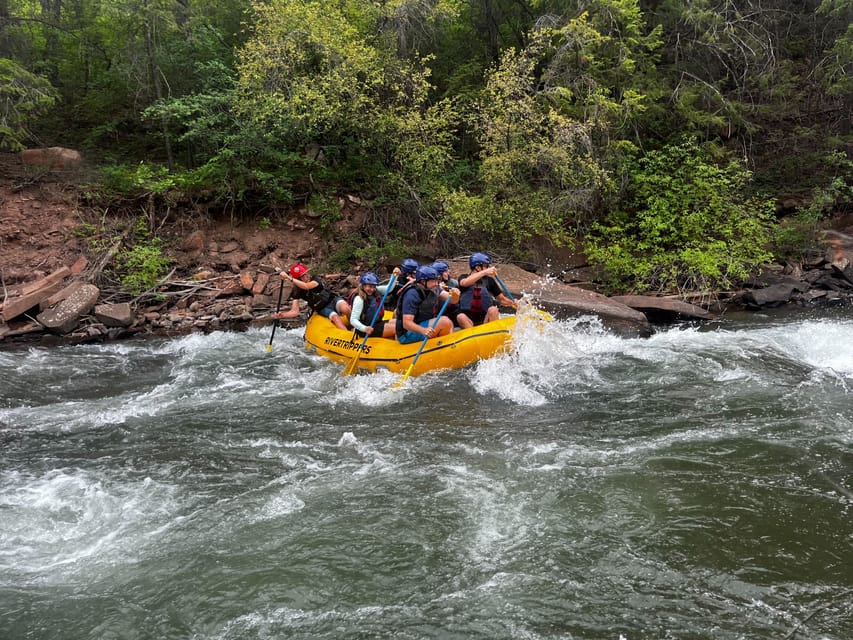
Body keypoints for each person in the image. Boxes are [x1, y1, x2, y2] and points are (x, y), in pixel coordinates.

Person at [276, 263, 351, 330]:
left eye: (306, 273)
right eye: (303, 276)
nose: (307, 276)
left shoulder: (315, 279)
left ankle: (353, 327)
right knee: (336, 318)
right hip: (323, 308)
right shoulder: (297, 291)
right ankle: (347, 336)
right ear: (298, 279)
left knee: (346, 309)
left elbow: (307, 286)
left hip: (333, 300)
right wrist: (283, 315)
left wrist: (289, 278)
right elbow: (295, 311)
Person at [455, 252, 517, 327]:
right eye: (486, 266)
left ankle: (493, 333)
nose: (488, 268)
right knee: (460, 316)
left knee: (493, 309)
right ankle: (473, 336)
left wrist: (513, 303)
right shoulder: (463, 277)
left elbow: (502, 299)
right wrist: (484, 272)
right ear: (477, 267)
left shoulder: (489, 281)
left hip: (485, 321)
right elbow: (464, 283)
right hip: (468, 322)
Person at [396, 265, 454, 344]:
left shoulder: (434, 288)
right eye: (433, 281)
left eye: (437, 280)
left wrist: (455, 295)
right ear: (423, 282)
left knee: (447, 322)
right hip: (407, 334)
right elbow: (406, 324)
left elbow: (452, 300)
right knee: (445, 322)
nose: (437, 284)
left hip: (422, 324)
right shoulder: (412, 294)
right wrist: (423, 330)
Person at [349, 272, 396, 339]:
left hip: (376, 323)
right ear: (363, 285)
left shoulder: (375, 291)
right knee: (397, 328)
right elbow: (353, 320)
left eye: (374, 287)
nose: (372, 289)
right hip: (366, 329)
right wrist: (365, 328)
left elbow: (389, 288)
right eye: (370, 287)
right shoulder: (359, 299)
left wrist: (394, 275)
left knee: (399, 323)